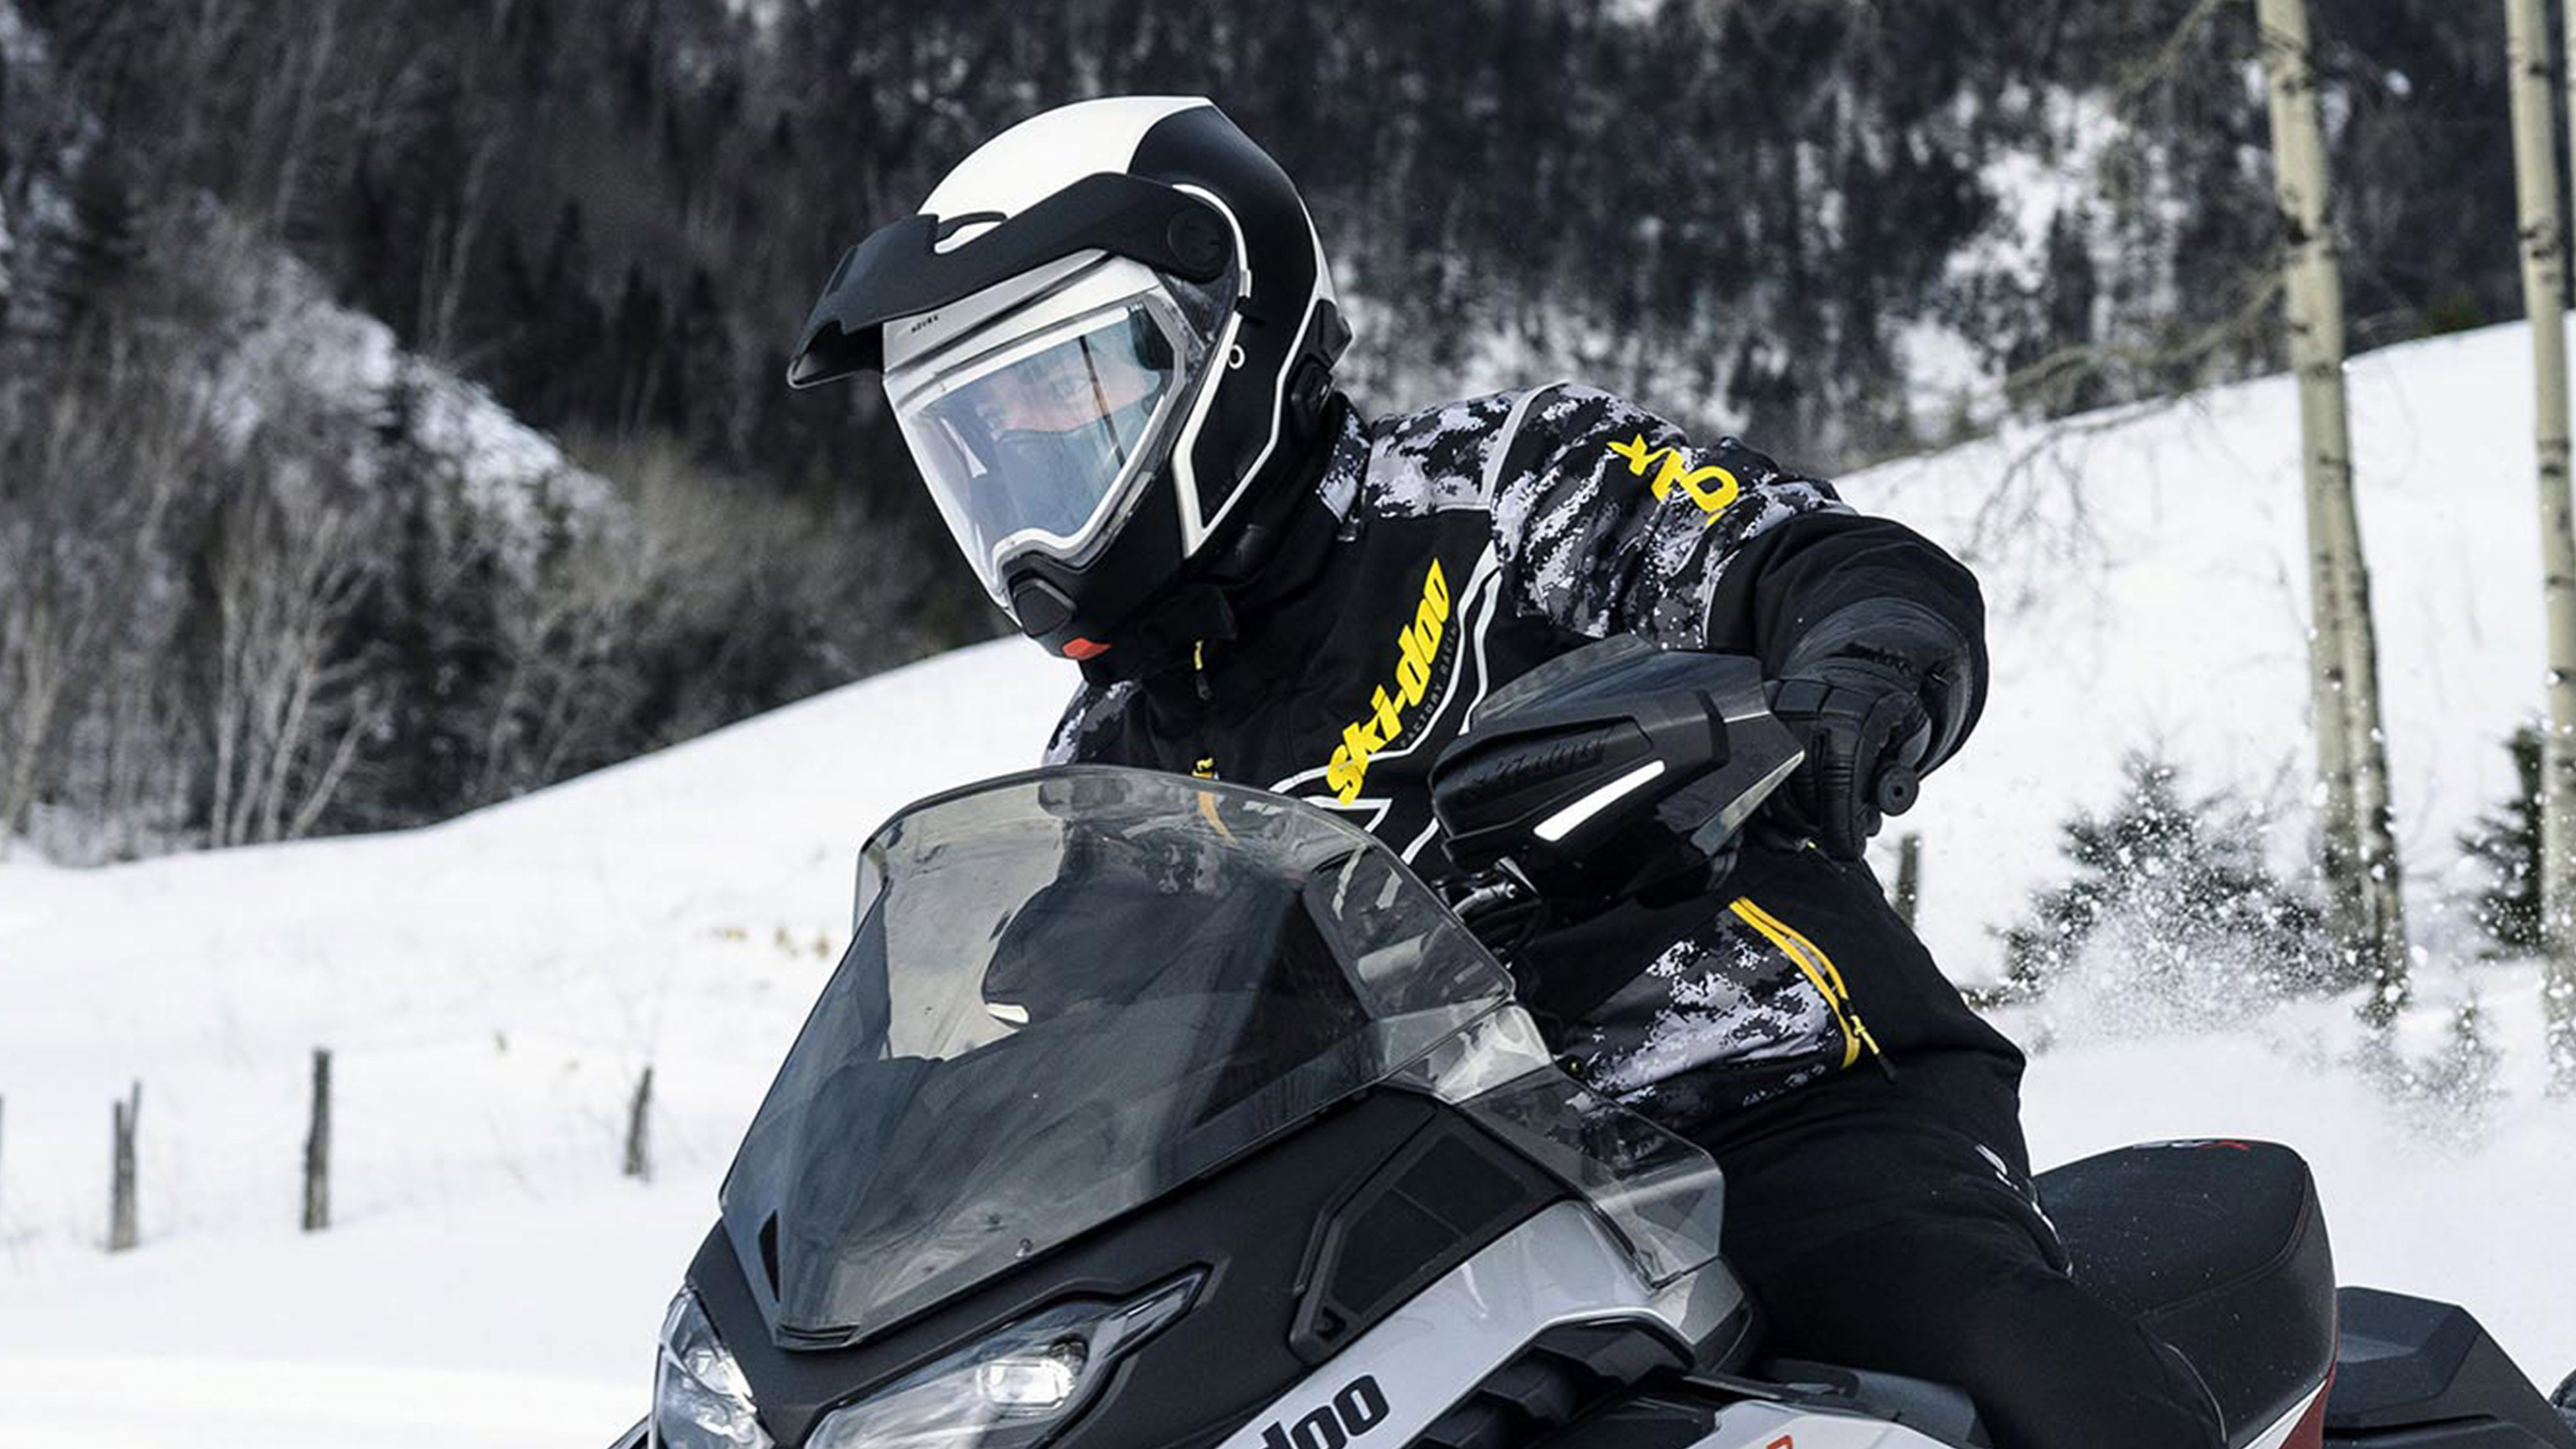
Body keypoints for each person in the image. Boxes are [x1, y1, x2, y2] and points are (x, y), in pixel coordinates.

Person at [785, 95, 2224, 1449]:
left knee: (1998, 1353)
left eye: (1067, 414)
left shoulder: (1508, 490)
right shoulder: (1109, 756)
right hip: (1390, 1219)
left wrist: (1864, 655)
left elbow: (1800, 557)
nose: (1031, 516)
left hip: (1764, 1109)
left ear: (1232, 347)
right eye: (988, 454)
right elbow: (1100, 1070)